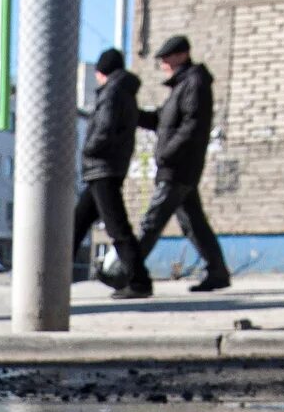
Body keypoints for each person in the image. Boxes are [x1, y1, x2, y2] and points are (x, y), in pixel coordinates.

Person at [135, 34, 232, 293]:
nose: (163, 63)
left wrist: (168, 153)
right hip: (180, 165)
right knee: (193, 224)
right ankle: (218, 271)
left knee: (152, 221)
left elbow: (192, 125)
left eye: (166, 57)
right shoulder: (182, 86)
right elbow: (161, 120)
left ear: (182, 55)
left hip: (178, 166)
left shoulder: (194, 82)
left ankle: (127, 273)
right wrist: (133, 115)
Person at [71, 47, 155, 299]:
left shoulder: (113, 92)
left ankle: (139, 281)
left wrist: (89, 149)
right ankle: (57, 275)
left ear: (101, 72)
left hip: (102, 168)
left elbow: (105, 128)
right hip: (107, 167)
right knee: (77, 223)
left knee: (117, 228)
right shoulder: (124, 91)